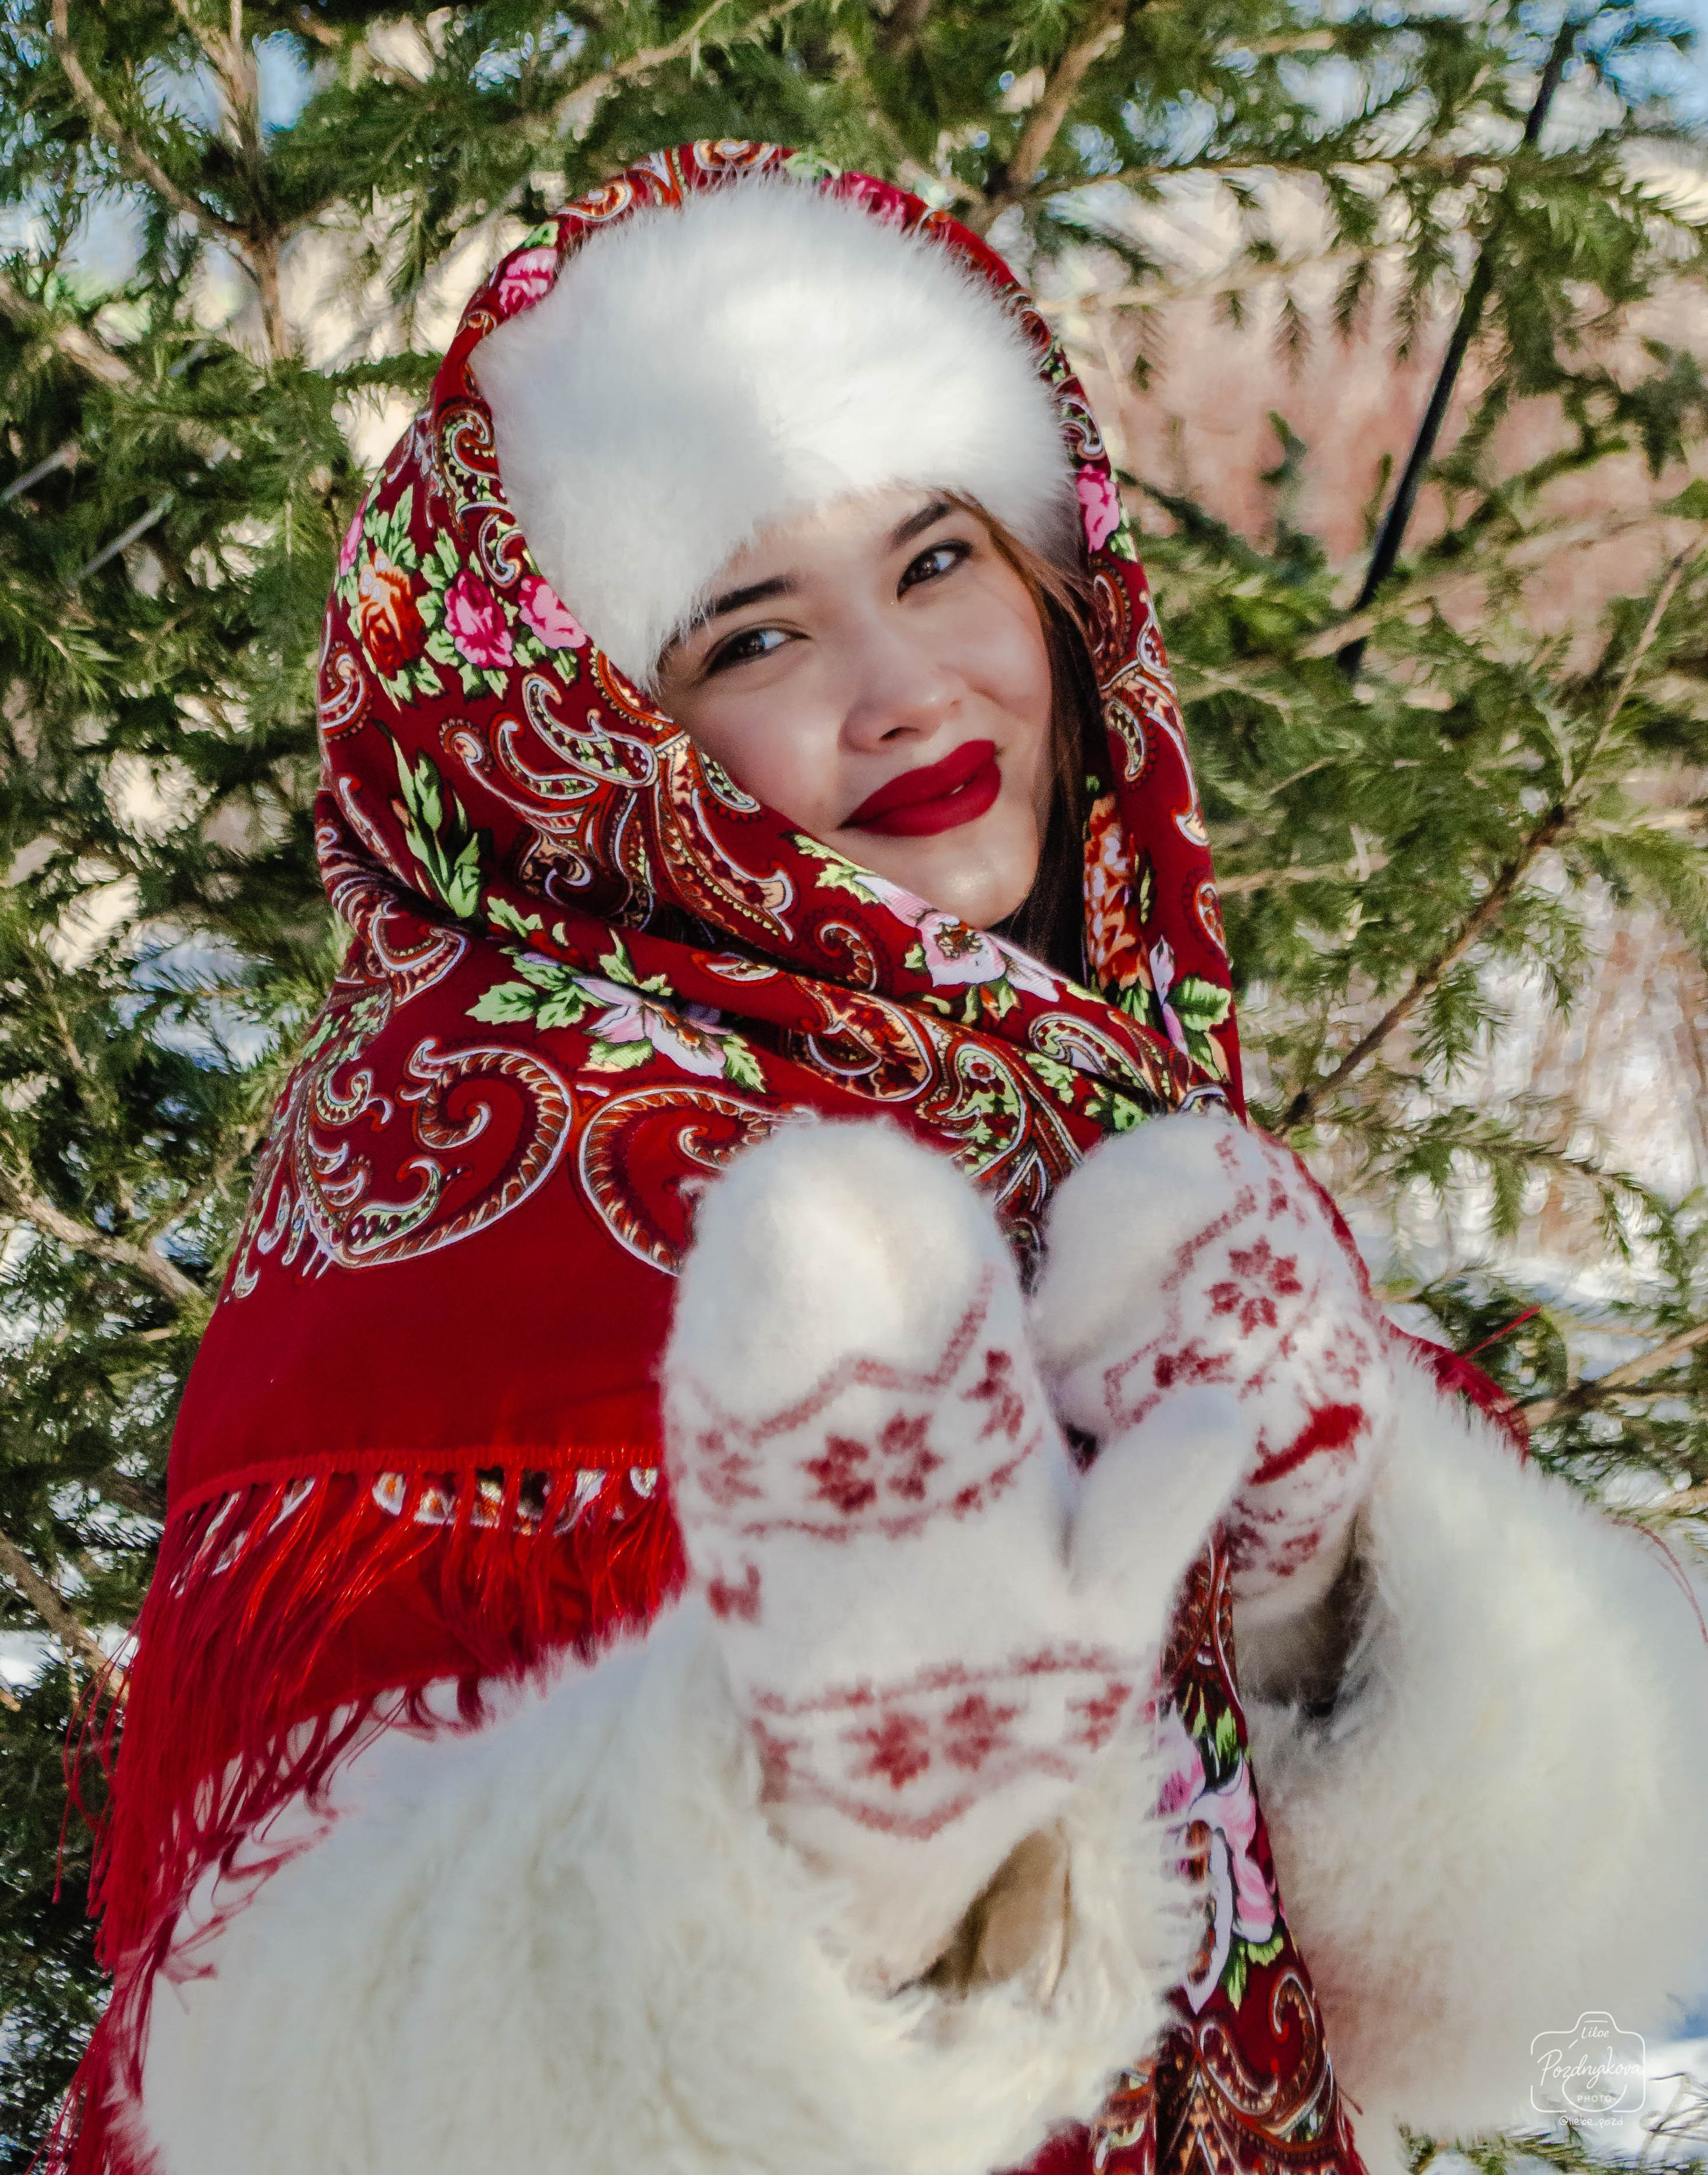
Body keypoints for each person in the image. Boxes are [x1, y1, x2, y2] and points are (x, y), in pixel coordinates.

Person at [59, 141, 1708, 2175]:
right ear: (599, 739)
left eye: (939, 561)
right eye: (750, 634)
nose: (905, 683)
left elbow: (1498, 2003)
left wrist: (1327, 1593)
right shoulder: (475, 1148)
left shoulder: (1098, 1102)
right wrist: (815, 1886)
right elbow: (261, 2053)